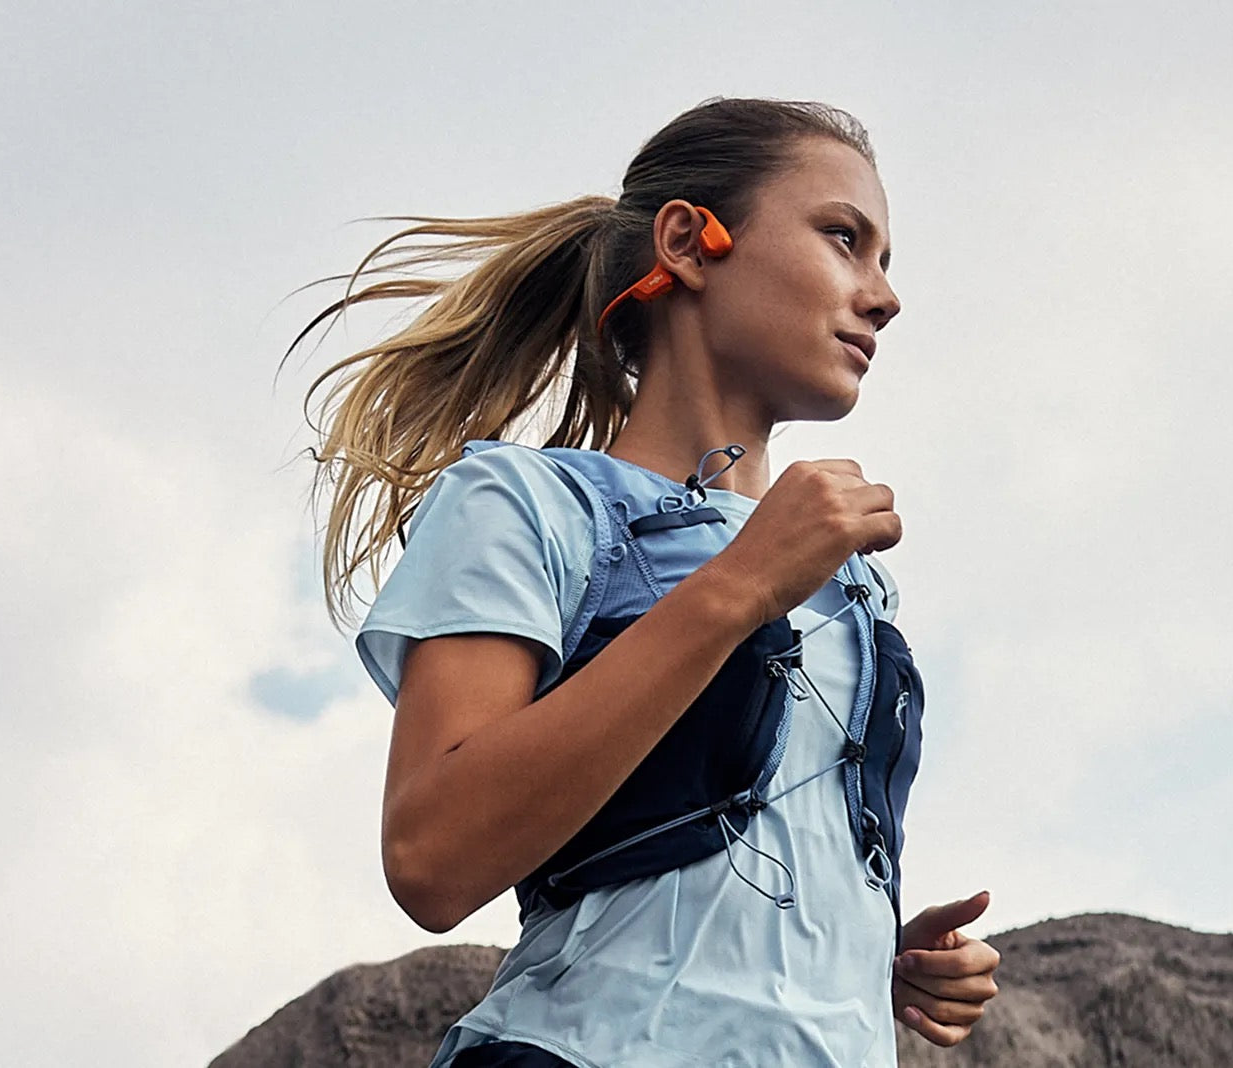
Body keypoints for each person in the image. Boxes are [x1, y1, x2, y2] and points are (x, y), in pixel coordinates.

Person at [292, 96, 1000, 1067]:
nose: (883, 296)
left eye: (886, 262)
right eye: (845, 239)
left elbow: (693, 867)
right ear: (690, 242)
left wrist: (864, 952)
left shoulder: (851, 580)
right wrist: (739, 583)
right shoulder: (532, 501)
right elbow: (432, 857)